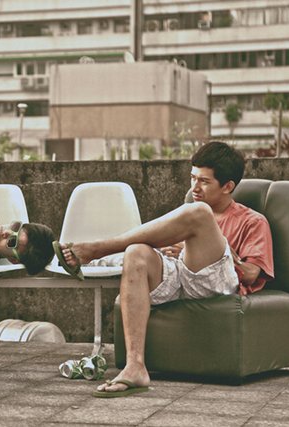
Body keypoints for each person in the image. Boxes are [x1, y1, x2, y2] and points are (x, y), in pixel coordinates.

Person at [54, 141, 274, 398]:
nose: (194, 187)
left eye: (204, 181)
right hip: (181, 274)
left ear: (228, 186)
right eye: (192, 178)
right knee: (136, 253)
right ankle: (135, 366)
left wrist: (222, 248)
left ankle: (99, 248)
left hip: (218, 284)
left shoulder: (252, 221)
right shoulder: (189, 212)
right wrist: (182, 249)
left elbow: (251, 273)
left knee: (199, 213)